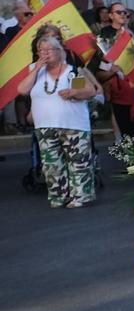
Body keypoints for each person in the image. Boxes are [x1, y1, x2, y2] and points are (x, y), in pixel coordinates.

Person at [28, 29, 102, 209]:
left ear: (59, 51)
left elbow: (89, 91)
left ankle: (81, 196)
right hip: (45, 126)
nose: (45, 54)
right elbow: (23, 90)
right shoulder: (34, 71)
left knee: (77, 162)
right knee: (52, 165)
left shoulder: (73, 71)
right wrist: (37, 68)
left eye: (49, 50)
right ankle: (58, 196)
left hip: (73, 124)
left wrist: (74, 92)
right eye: (41, 50)